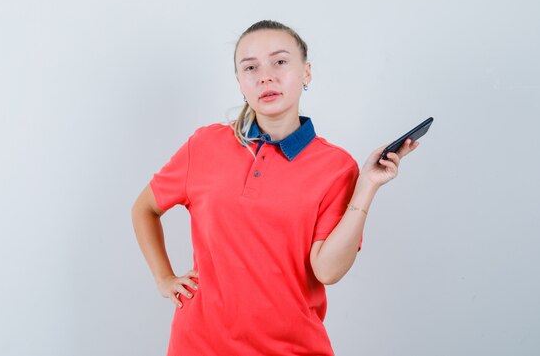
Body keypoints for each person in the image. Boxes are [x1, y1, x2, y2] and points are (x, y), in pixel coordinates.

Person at [131, 20, 419, 355]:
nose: (265, 76)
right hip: (197, 345)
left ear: (306, 73)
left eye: (280, 62)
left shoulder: (336, 167)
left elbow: (327, 270)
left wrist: (367, 186)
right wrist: (163, 278)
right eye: (250, 67)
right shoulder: (204, 144)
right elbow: (144, 208)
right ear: (241, 83)